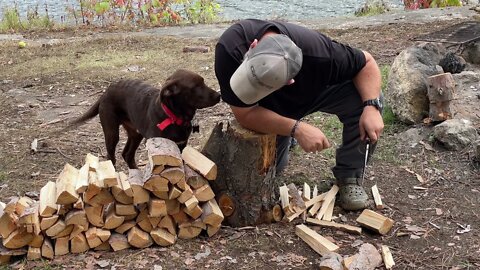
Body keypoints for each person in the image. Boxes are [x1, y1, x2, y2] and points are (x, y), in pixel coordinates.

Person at [214, 19, 384, 211]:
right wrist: (296, 129)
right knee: (272, 169)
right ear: (253, 47)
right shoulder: (229, 49)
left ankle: (350, 175)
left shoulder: (321, 55)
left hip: (316, 91)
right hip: (269, 108)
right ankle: (287, 136)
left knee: (364, 100)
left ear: (289, 81)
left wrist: (371, 106)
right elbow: (245, 114)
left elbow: (366, 63)